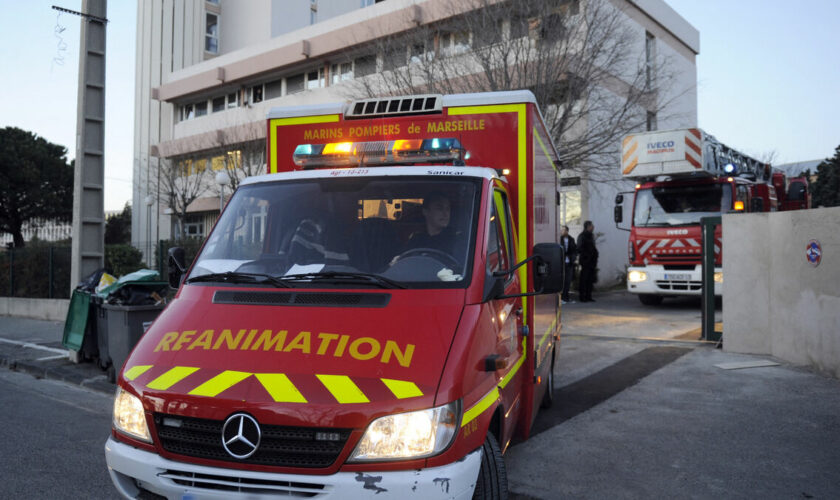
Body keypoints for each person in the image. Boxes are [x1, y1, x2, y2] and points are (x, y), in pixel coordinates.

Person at [576, 220, 598, 302]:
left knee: (590, 279)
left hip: (592, 262)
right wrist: (587, 256)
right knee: (584, 279)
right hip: (586, 262)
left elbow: (593, 248)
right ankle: (582, 297)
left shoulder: (591, 236)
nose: (593, 227)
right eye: (592, 225)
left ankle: (589, 296)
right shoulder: (582, 236)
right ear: (588, 227)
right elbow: (579, 248)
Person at [559, 225, 577, 304]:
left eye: (564, 230)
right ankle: (561, 298)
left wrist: (573, 258)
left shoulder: (571, 239)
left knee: (568, 280)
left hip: (569, 262)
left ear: (567, 231)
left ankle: (566, 297)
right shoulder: (559, 239)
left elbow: (574, 250)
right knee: (562, 280)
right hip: (561, 263)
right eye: (561, 230)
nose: (562, 231)